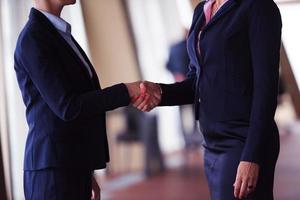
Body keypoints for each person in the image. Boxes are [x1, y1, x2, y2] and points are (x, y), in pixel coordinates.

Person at [133, 0, 282, 199]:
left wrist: (252, 156)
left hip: (244, 139)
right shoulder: (201, 11)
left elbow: (266, 88)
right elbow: (197, 81)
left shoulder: (257, 6)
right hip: (212, 142)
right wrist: (160, 92)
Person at [14, 0, 152, 199]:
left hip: (70, 165)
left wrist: (87, 171)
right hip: (51, 172)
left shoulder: (58, 33)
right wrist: (125, 91)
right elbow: (69, 107)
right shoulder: (33, 38)